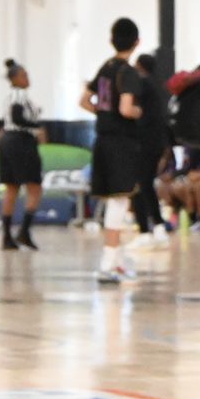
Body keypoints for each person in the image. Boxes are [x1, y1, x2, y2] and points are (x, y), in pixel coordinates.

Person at [79, 19, 144, 285]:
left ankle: (116, 262)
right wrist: (139, 112)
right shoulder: (128, 72)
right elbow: (126, 109)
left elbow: (84, 101)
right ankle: (107, 263)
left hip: (102, 139)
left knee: (114, 201)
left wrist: (102, 113)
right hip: (121, 142)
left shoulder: (105, 68)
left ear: (111, 40)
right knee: (119, 201)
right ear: (137, 42)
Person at [0, 59, 43, 251]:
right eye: (24, 75)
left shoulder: (10, 96)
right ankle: (24, 231)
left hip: (7, 141)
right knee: (35, 187)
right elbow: (17, 117)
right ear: (15, 78)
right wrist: (37, 126)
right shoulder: (19, 95)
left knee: (11, 188)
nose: (27, 78)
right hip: (21, 141)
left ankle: (7, 236)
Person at [131, 53, 172, 249]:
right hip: (157, 143)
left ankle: (144, 231)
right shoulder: (158, 86)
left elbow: (130, 109)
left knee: (138, 184)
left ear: (139, 66)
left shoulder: (142, 84)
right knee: (146, 183)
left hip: (144, 142)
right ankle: (158, 227)